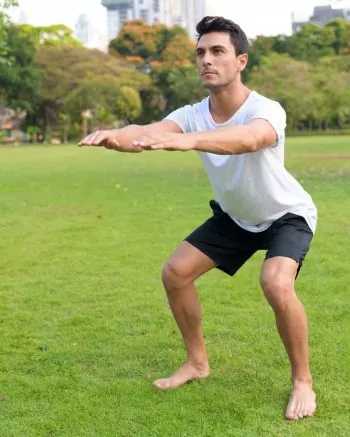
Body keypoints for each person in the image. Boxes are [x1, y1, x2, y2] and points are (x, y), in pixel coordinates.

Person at [79, 16, 317, 421]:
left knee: (276, 283)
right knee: (175, 273)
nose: (207, 59)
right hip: (235, 216)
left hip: (285, 214)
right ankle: (197, 362)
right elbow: (146, 132)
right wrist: (114, 136)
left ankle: (303, 381)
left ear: (241, 60)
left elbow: (249, 140)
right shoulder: (192, 113)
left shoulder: (264, 109)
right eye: (201, 53)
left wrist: (187, 140)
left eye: (218, 51)